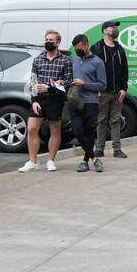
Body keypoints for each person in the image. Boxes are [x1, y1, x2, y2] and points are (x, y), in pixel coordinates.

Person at [20, 29, 72, 172]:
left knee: (54, 130)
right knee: (31, 128)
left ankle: (51, 161)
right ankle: (32, 161)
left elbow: (68, 82)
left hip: (55, 100)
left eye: (51, 40)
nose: (48, 42)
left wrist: (49, 87)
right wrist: (34, 100)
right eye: (46, 40)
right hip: (39, 100)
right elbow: (33, 81)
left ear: (58, 42)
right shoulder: (38, 59)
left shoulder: (65, 60)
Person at [67, 33, 107, 172]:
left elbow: (102, 85)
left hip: (90, 102)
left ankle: (85, 161)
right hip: (74, 100)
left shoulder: (98, 62)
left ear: (86, 45)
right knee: (78, 132)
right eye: (75, 48)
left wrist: (84, 84)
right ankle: (94, 158)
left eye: (79, 47)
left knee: (89, 132)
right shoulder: (74, 60)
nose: (77, 50)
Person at [93, 20, 129, 161]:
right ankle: (99, 149)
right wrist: (96, 88)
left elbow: (125, 69)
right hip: (102, 91)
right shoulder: (97, 47)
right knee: (101, 120)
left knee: (115, 120)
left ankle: (117, 149)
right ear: (105, 30)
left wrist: (124, 88)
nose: (115, 29)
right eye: (112, 27)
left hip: (117, 92)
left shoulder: (120, 48)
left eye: (115, 27)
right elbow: (92, 69)